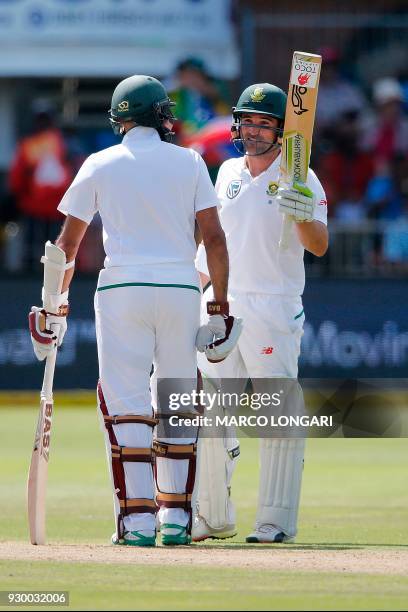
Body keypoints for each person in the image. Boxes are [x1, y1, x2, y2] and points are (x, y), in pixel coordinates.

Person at [28, 75, 242, 547]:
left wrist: (52, 307)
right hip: (180, 285)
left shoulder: (100, 162)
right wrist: (220, 308)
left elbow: (66, 245)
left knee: (125, 402)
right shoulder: (188, 161)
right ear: (155, 114)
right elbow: (216, 239)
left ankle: (137, 522)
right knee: (178, 400)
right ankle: (176, 521)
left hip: (123, 286)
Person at [193, 83, 328, 543]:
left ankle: (275, 521)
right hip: (223, 303)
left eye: (263, 122)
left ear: (281, 130)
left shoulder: (303, 176)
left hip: (274, 305)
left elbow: (320, 245)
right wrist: (199, 288)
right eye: (246, 121)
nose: (251, 130)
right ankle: (212, 515)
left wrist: (304, 213)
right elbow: (214, 240)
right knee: (208, 407)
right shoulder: (227, 170)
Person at [8, 99, 73, 270]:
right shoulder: (61, 143)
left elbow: (16, 180)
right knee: (38, 249)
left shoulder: (62, 143)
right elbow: (17, 178)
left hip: (52, 209)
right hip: (38, 209)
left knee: (47, 248)